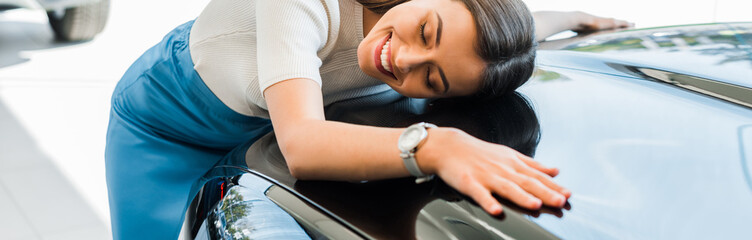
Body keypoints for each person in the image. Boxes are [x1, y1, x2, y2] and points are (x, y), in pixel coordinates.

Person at [105, 0, 631, 239]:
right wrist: (436, 145)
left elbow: (501, 34)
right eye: (424, 31)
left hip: (266, 120)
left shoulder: (455, 42)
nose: (402, 61)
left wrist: (575, 19)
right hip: (164, 125)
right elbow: (304, 147)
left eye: (432, 81)